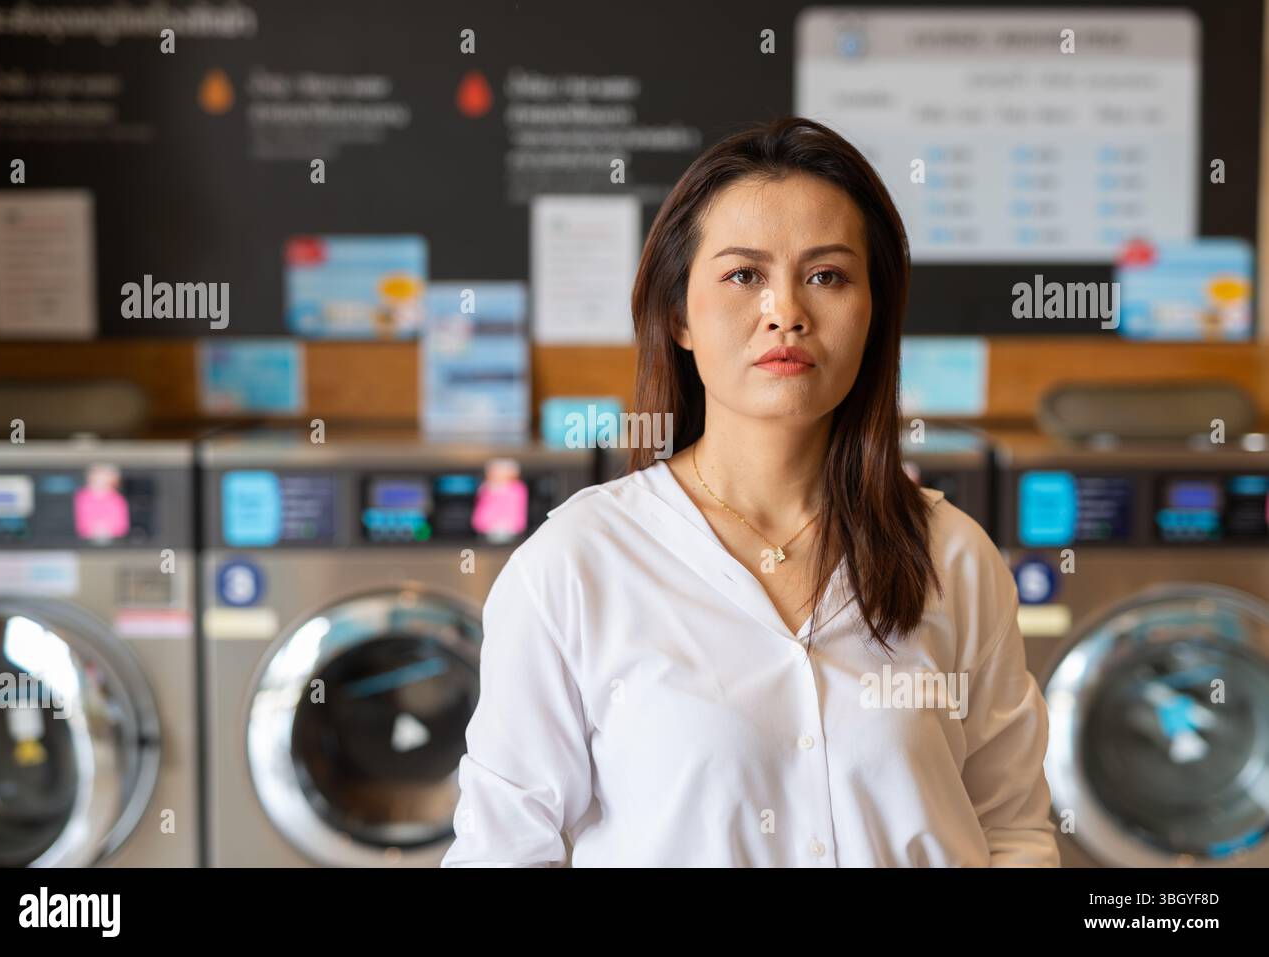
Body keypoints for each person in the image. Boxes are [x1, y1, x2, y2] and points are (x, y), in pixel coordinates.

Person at [441, 116, 1060, 867]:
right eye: (744, 276)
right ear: (679, 316)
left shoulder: (954, 556)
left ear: (873, 313)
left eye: (827, 275)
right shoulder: (576, 565)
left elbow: (1013, 829)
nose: (786, 312)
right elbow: (503, 851)